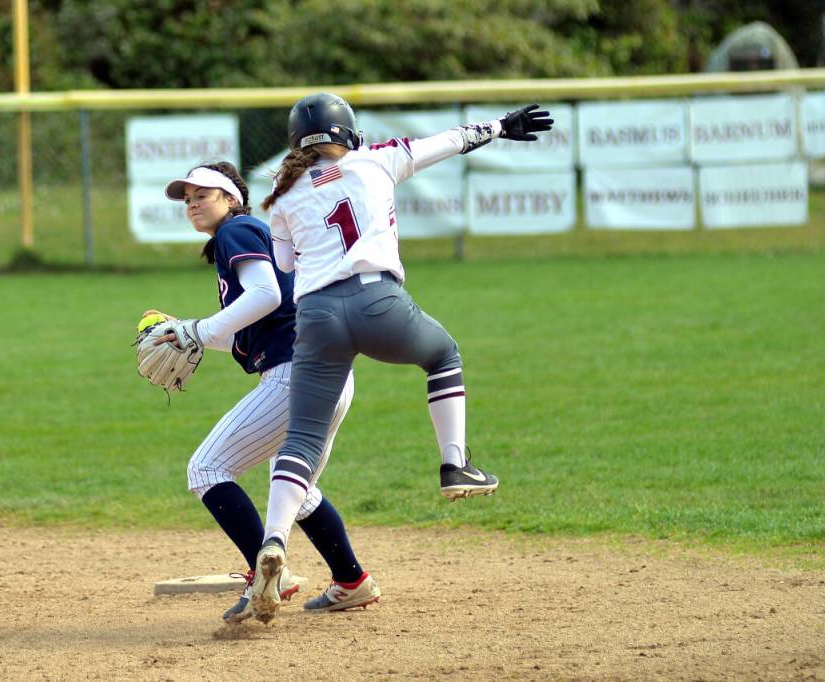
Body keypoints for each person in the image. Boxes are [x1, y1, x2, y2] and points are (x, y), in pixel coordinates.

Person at [248, 93, 553, 622]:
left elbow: (286, 265)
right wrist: (503, 125)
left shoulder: (280, 193)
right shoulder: (377, 158)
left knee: (300, 438)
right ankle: (455, 465)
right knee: (443, 356)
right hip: (378, 301)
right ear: (349, 133)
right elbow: (452, 141)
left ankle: (274, 539)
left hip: (316, 317)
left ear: (296, 141)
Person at [154, 161, 380, 623]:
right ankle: (351, 581)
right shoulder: (250, 232)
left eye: (204, 195)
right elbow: (253, 319)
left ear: (232, 198)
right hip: (328, 370)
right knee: (298, 488)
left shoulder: (235, 231)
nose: (193, 204)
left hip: (294, 374)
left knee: (207, 468)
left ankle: (267, 574)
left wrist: (196, 328)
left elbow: (265, 296)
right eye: (188, 198)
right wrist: (189, 332)